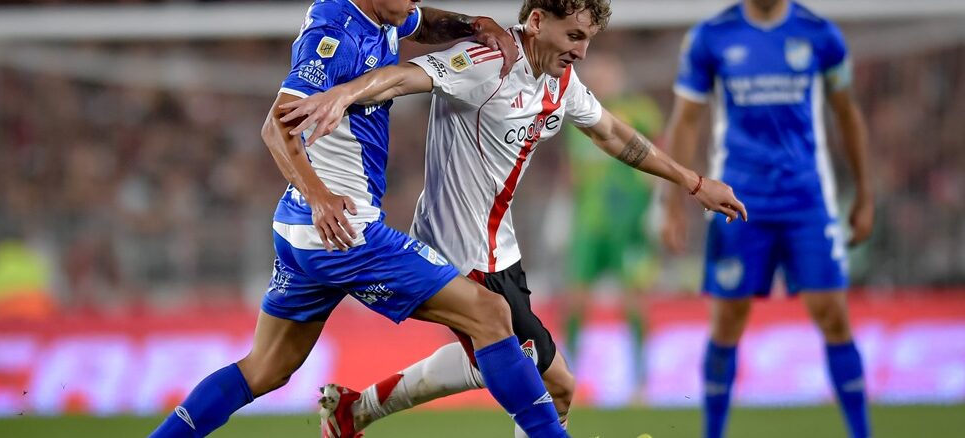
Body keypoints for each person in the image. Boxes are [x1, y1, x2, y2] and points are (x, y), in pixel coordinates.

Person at [278, 1, 746, 436]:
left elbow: (611, 133)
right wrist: (342, 94)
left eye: (588, 41)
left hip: (501, 250)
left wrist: (694, 182)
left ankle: (354, 410)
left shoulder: (559, 80)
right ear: (539, 22)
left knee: (498, 359)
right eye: (574, 36)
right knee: (555, 383)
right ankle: (357, 410)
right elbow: (402, 77)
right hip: (463, 252)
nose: (581, 51)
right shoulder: (485, 62)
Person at [147, 1, 575, 437]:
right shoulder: (334, 35)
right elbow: (275, 126)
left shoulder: (382, 14)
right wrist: (320, 197)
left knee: (265, 370)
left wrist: (471, 25)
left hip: (302, 230)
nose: (411, 2)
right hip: (344, 229)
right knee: (489, 312)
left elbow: (422, 21)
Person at [660, 1, 874, 437]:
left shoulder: (819, 33)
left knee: (833, 314)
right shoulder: (711, 36)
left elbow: (846, 111)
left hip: (805, 200)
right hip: (740, 202)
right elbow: (685, 119)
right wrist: (673, 203)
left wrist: (864, 195)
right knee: (727, 321)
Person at [560, 53, 665, 400]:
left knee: (634, 299)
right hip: (589, 224)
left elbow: (659, 158)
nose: (600, 81)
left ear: (618, 77)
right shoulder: (577, 116)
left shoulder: (640, 111)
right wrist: (564, 212)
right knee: (575, 298)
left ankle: (641, 382)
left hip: (627, 223)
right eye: (595, 76)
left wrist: (655, 209)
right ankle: (566, 376)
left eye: (606, 74)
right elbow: (573, 172)